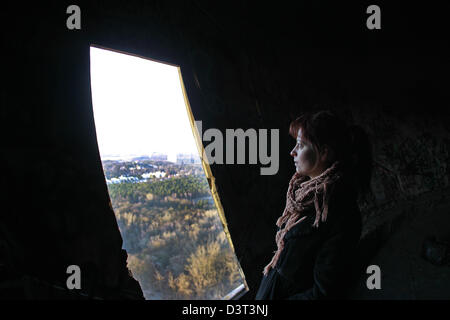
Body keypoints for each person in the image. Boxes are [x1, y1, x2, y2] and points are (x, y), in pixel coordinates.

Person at [255, 110, 373, 300]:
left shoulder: (339, 213)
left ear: (324, 152)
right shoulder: (307, 200)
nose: (292, 151)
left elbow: (323, 293)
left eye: (300, 145)